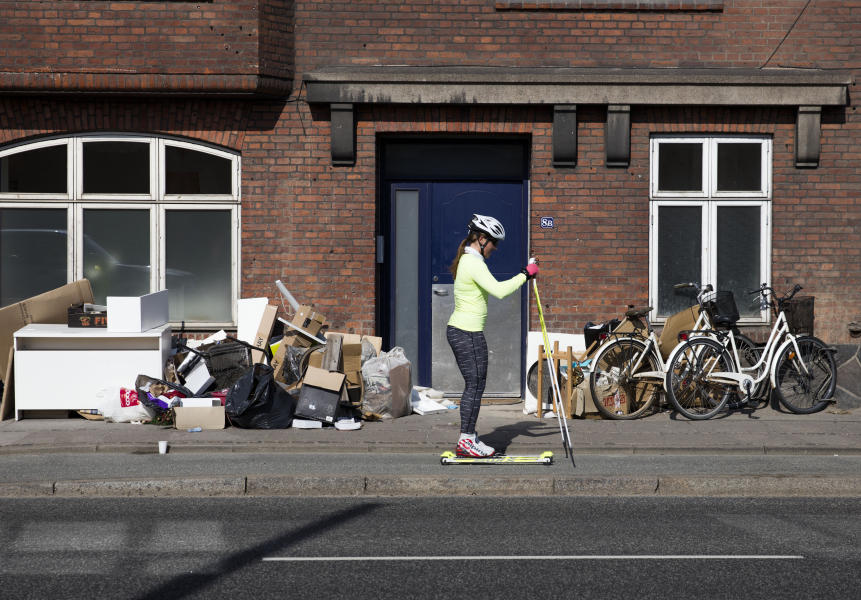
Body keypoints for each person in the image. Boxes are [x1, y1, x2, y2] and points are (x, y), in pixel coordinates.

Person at [447, 214, 539, 458]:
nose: (495, 248)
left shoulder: (469, 259)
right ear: (481, 239)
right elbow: (499, 291)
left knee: (474, 386)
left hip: (464, 330)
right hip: (467, 332)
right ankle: (466, 440)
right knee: (474, 386)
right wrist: (525, 275)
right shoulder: (473, 262)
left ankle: (468, 436)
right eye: (494, 243)